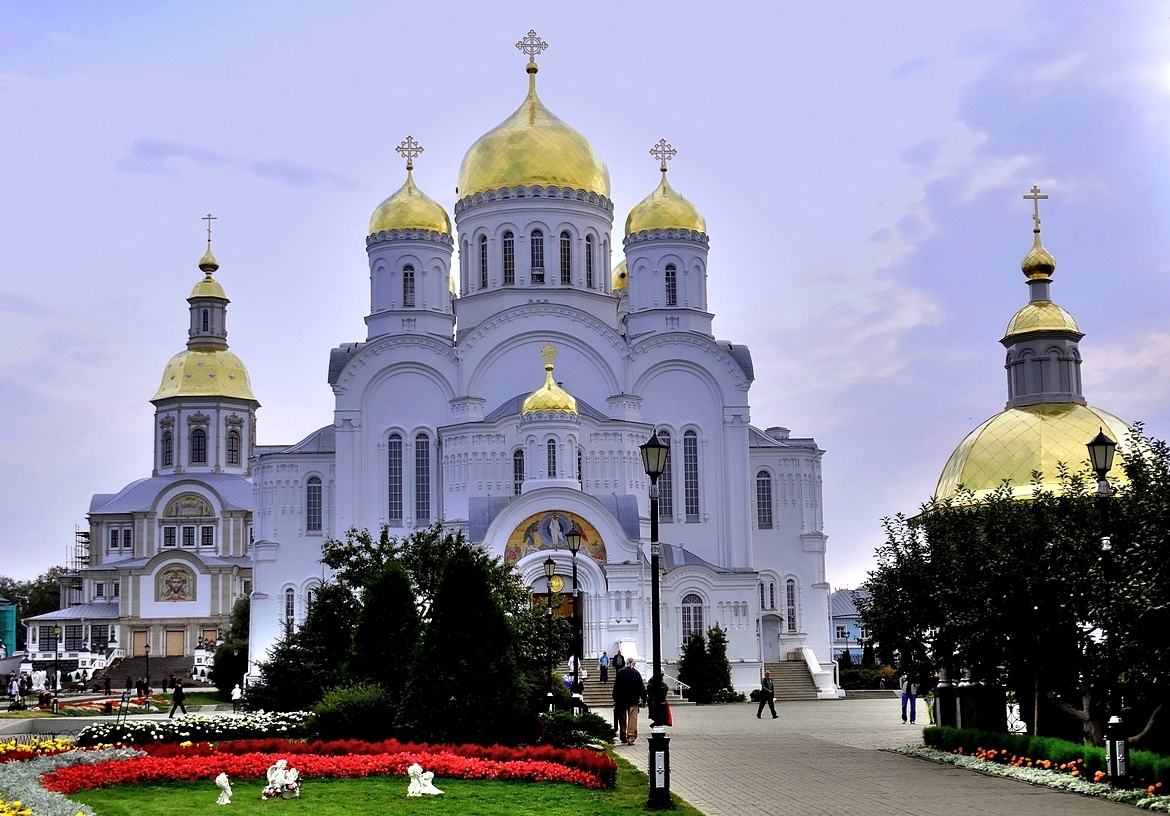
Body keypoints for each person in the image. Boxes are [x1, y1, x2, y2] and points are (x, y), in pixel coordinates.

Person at [612, 657, 646, 746]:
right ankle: (630, 737)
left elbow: (616, 686)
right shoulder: (636, 673)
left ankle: (623, 735)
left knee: (622, 718)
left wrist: (615, 698)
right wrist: (644, 699)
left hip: (621, 699)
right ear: (633, 664)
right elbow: (641, 687)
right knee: (632, 718)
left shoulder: (620, 672)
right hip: (633, 699)